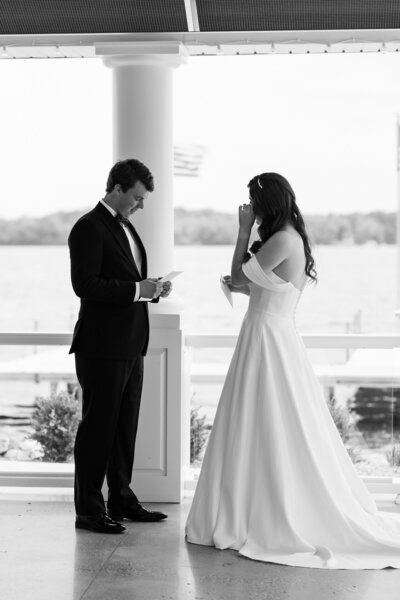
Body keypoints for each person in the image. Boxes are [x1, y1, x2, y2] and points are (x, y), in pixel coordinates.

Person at [185, 172, 400, 569]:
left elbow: (238, 276)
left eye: (253, 202)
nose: (249, 209)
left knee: (268, 423)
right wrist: (243, 280)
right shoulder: (287, 239)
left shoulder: (283, 238)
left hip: (268, 338)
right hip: (267, 333)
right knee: (258, 423)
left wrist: (242, 232)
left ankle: (266, 512)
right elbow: (260, 285)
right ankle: (248, 506)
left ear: (266, 204)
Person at [69, 158, 171, 534]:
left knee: (124, 427)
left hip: (131, 343)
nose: (140, 205)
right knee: (97, 429)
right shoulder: (87, 228)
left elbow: (128, 280)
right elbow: (86, 285)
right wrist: (135, 290)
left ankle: (122, 499)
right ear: (116, 189)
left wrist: (152, 289)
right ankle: (89, 511)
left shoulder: (126, 228)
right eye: (137, 198)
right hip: (101, 346)